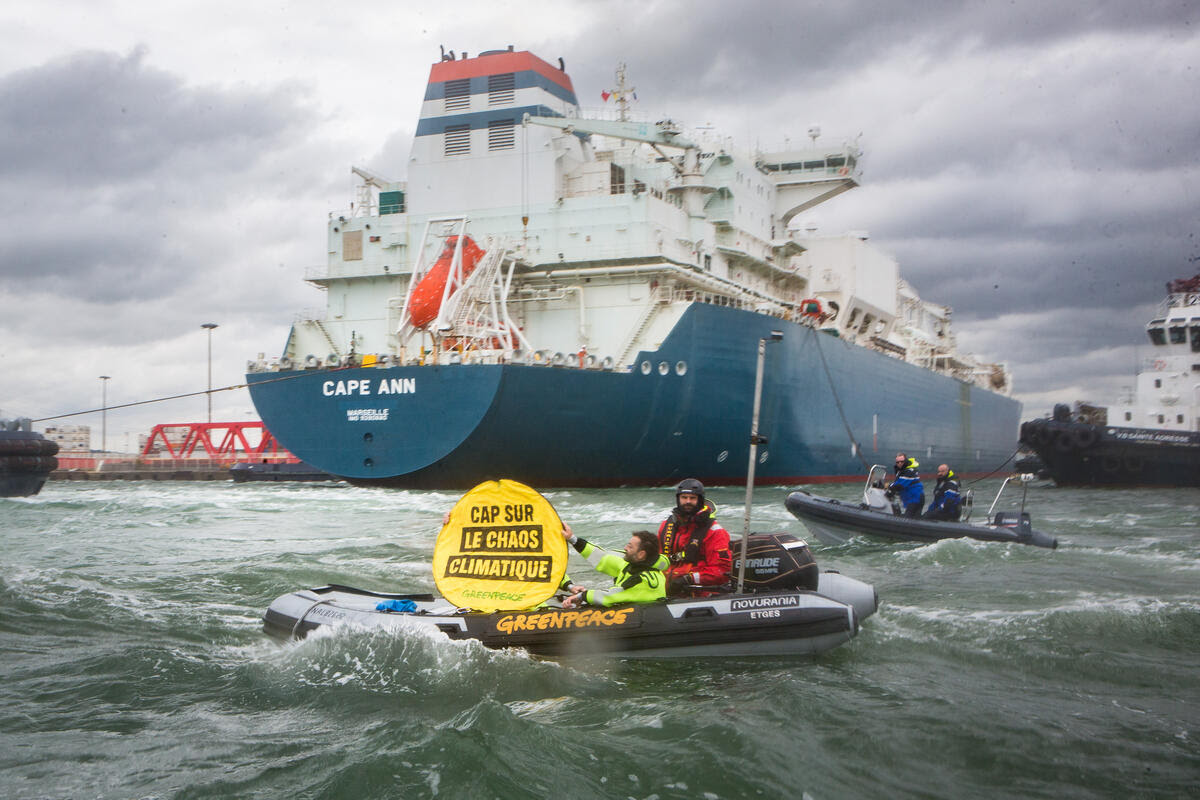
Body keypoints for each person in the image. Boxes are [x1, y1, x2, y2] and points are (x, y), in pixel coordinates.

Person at [656, 478, 732, 596]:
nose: (688, 501)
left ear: (700, 500)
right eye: (684, 497)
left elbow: (722, 571)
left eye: (692, 498)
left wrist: (689, 579)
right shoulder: (665, 527)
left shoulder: (715, 532)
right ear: (678, 499)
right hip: (666, 591)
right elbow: (659, 559)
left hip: (696, 594)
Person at [559, 526, 666, 608]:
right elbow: (601, 557)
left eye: (630, 546)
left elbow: (611, 596)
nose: (625, 548)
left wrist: (581, 596)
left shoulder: (643, 580)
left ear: (641, 554)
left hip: (644, 619)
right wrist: (572, 539)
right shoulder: (629, 563)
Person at [887, 453, 925, 517]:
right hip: (911, 498)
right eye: (897, 462)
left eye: (902, 461)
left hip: (916, 499)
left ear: (906, 460)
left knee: (909, 519)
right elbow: (898, 482)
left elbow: (900, 485)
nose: (899, 463)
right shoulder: (902, 470)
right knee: (913, 518)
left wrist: (889, 486)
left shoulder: (909, 471)